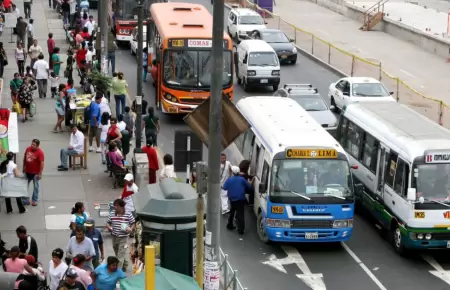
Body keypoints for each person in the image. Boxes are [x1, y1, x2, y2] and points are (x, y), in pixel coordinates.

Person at [106, 199, 135, 272]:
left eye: (117, 206)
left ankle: (118, 272)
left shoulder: (128, 214)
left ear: (122, 207)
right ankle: (125, 264)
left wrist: (130, 229)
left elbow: (133, 223)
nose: (115, 207)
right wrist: (109, 227)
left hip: (124, 237)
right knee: (117, 252)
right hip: (114, 236)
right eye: (114, 205)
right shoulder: (112, 213)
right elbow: (108, 222)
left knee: (120, 255)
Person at [223, 166, 254, 235]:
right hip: (240, 199)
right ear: (238, 172)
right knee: (241, 214)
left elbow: (224, 188)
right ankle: (241, 230)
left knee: (232, 212)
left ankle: (230, 225)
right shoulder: (242, 179)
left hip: (232, 199)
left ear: (233, 172)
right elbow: (249, 187)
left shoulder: (229, 180)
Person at [22, 139, 45, 206]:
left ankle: (34, 200)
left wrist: (40, 174)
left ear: (37, 146)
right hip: (27, 171)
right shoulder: (28, 149)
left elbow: (42, 163)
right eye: (32, 144)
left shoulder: (40, 153)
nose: (32, 145)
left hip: (35, 173)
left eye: (34, 145)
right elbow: (24, 158)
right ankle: (25, 199)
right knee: (24, 186)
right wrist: (24, 167)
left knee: (36, 187)